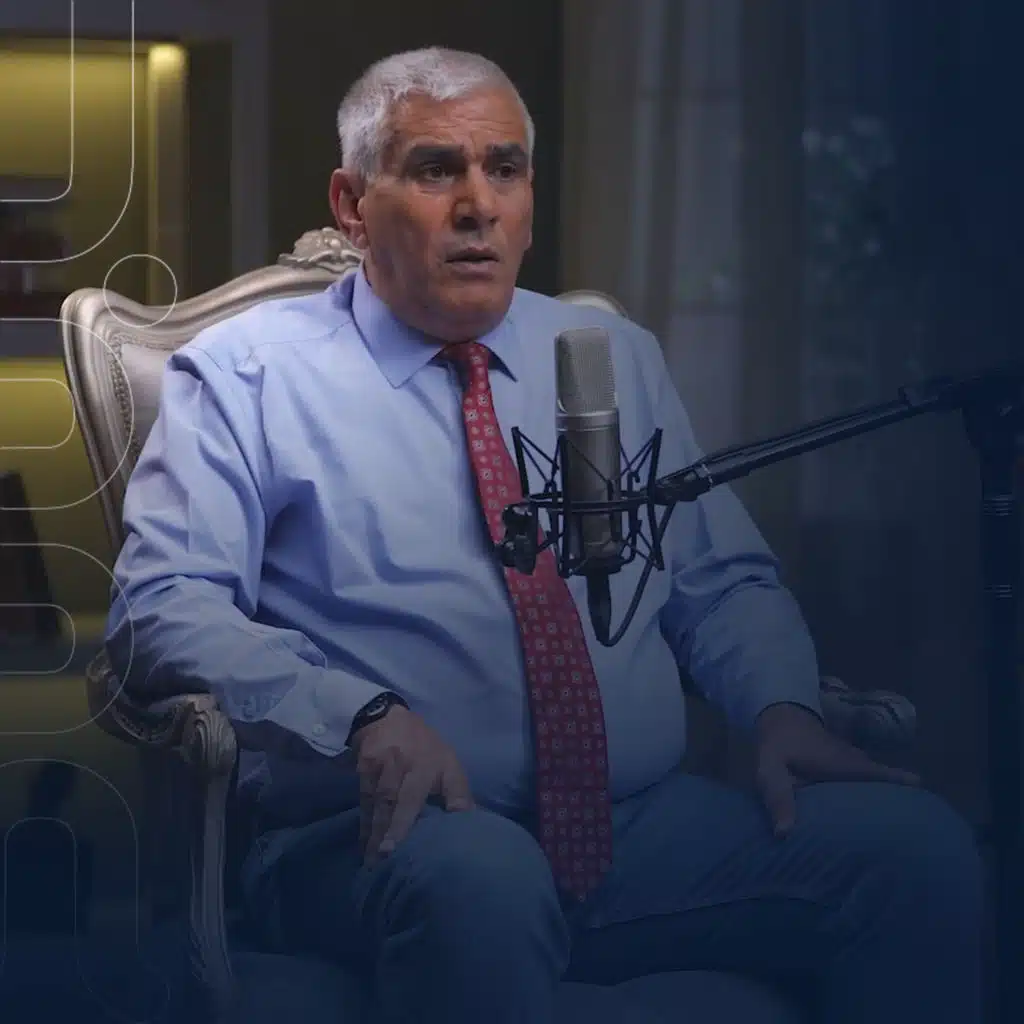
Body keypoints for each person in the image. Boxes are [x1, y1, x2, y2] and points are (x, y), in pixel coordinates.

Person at [106, 47, 983, 1024]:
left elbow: (719, 582)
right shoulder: (247, 375)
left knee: (915, 853)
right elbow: (159, 610)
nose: (478, 206)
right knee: (485, 882)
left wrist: (782, 705)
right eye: (436, 169)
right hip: (386, 835)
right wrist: (360, 714)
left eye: (505, 169)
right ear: (352, 205)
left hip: (642, 829)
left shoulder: (610, 356)